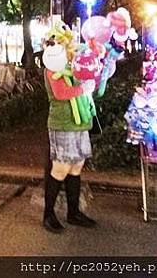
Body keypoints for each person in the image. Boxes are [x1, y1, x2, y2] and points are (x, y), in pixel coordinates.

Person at [42, 37, 96, 233]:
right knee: (60, 168)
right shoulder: (52, 65)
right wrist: (82, 89)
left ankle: (73, 213)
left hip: (79, 123)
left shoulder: (73, 65)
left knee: (76, 166)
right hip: (62, 124)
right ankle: (48, 214)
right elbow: (60, 93)